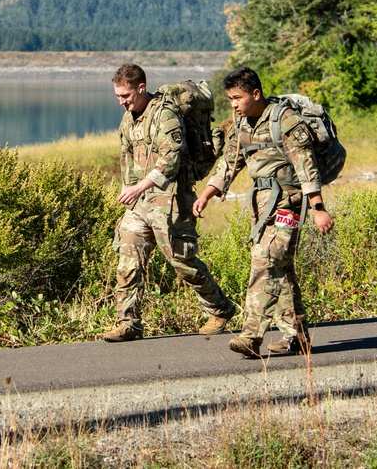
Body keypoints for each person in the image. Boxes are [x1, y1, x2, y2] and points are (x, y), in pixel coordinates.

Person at [193, 67, 334, 357]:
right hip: (260, 203)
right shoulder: (241, 123)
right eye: (230, 98)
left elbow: (305, 166)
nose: (233, 103)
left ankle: (250, 335)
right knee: (281, 268)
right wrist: (207, 194)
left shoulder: (285, 121)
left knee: (266, 259)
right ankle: (298, 337)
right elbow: (229, 162)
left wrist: (318, 208)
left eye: (238, 97)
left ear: (255, 94)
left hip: (290, 202)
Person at [102, 64, 236, 342]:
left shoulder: (164, 115)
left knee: (182, 262)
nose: (121, 101)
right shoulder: (128, 120)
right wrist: (129, 191)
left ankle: (220, 308)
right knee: (128, 261)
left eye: (126, 95)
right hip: (139, 203)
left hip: (171, 198)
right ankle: (128, 323)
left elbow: (171, 159)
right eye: (117, 96)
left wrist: (140, 186)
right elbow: (126, 159)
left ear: (141, 88)